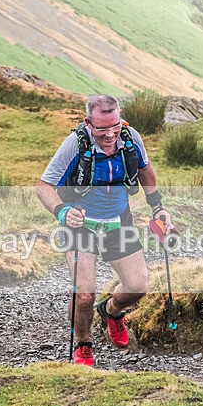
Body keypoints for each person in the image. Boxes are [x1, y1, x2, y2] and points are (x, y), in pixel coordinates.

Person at [36, 94, 172, 366]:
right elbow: (44, 187)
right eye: (102, 129)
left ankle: (111, 311)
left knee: (137, 285)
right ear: (89, 123)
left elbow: (146, 170)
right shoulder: (74, 144)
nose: (110, 134)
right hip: (80, 223)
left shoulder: (130, 137)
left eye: (115, 126)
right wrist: (62, 211)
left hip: (117, 220)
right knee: (84, 294)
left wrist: (157, 207)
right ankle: (84, 344)